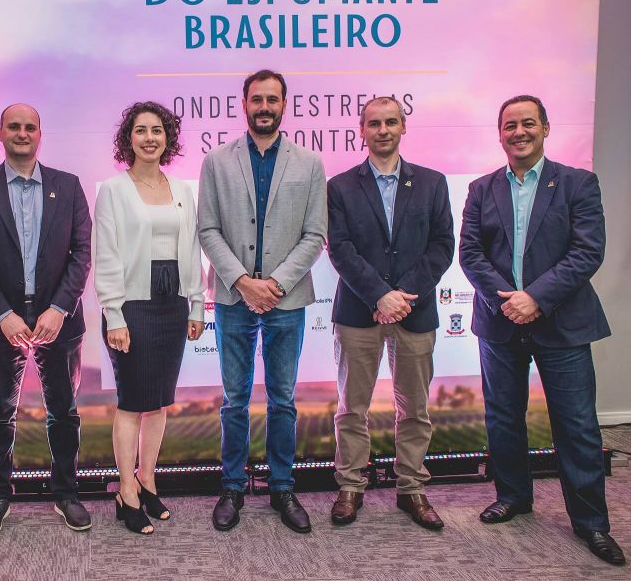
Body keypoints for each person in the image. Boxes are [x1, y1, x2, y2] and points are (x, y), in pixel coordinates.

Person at [459, 94, 625, 566]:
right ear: (500, 134)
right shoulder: (481, 187)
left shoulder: (577, 184)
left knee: (575, 426)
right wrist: (506, 300)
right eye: (509, 125)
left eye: (528, 123)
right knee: (504, 417)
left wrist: (536, 297)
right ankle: (513, 496)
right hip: (499, 321)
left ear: (545, 128)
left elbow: (587, 251)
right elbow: (470, 253)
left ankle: (591, 523)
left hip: (563, 322)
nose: (519, 132)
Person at [198, 69, 327, 533]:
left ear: (284, 104)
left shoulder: (310, 164)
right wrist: (242, 281)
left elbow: (315, 234)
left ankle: (281, 487)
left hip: (287, 300)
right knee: (234, 400)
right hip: (234, 299)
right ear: (245, 104)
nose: (265, 106)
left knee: (283, 399)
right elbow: (207, 229)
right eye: (257, 99)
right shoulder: (216, 161)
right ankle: (232, 487)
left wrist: (275, 283)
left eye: (273, 99)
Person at [0, 103, 92, 537]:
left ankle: (67, 493)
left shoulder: (68, 187)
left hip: (59, 320)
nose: (22, 133)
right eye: (13, 126)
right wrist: (2, 314)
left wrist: (58, 308)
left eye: (29, 127)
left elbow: (81, 253)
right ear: (0, 133)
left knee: (64, 411)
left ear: (40, 133)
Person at [326, 96, 454, 529]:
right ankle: (350, 486)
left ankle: (412, 489)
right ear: (361, 131)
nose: (382, 130)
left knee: (414, 408)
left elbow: (442, 246)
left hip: (415, 313)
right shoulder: (340, 187)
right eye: (374, 123)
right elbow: (340, 250)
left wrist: (403, 294)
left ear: (403, 128)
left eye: (391, 122)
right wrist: (380, 295)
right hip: (358, 313)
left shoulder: (434, 183)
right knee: (351, 408)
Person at [94, 101, 205, 535]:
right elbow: (105, 255)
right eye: (140, 131)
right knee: (132, 402)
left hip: (172, 302)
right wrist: (114, 315)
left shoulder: (181, 189)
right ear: (129, 139)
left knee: (158, 402)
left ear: (167, 137)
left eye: (157, 130)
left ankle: (147, 480)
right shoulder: (114, 190)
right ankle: (125, 491)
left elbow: (191, 248)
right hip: (131, 305)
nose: (149, 138)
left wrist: (195, 303)